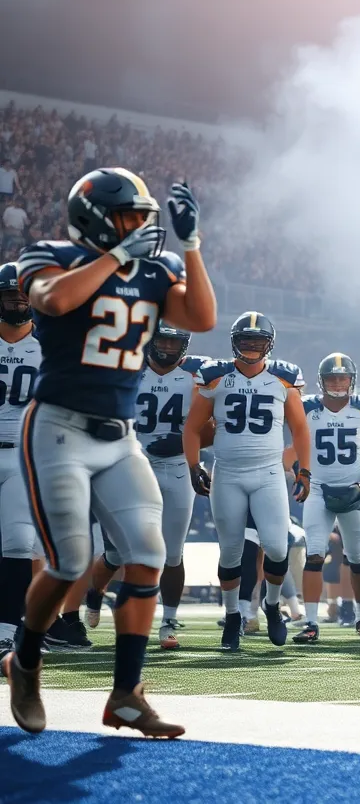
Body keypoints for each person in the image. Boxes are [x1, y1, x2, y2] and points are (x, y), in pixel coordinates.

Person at [3, 169, 215, 738]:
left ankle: (126, 694)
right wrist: (118, 254)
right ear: (96, 217)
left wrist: (192, 247)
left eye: (146, 218)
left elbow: (200, 318)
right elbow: (53, 298)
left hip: (120, 436)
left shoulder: (154, 269)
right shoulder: (49, 254)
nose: (143, 226)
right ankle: (24, 657)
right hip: (58, 426)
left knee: (147, 552)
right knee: (70, 562)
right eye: (130, 216)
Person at [183, 312, 310, 653]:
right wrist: (194, 465)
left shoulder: (284, 377)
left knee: (278, 546)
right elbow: (193, 427)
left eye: (258, 342)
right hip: (227, 472)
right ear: (234, 343)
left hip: (268, 472)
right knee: (232, 552)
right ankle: (233, 616)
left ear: (269, 344)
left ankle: (271, 605)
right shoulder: (216, 375)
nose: (252, 348)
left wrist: (304, 470)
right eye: (245, 341)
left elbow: (299, 429)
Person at [294, 354, 360, 644]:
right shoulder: (306, 408)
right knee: (315, 554)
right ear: (321, 381)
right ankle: (310, 622)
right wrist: (297, 474)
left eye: (342, 378)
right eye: (332, 378)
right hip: (318, 488)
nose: (337, 383)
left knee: (357, 558)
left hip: (353, 489)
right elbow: (289, 448)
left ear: (352, 380)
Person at [135, 322, 208, 651]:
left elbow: (214, 428)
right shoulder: (130, 368)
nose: (165, 347)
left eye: (172, 341)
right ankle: (95, 598)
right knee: (124, 549)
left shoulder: (198, 375)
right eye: (161, 339)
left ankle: (168, 620)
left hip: (178, 466)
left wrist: (186, 444)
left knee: (173, 552)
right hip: (135, 465)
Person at [0, 263, 41, 655]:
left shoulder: (50, 347)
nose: (17, 301)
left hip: (21, 456)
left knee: (17, 543)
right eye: (9, 295)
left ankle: (6, 633)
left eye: (22, 295)